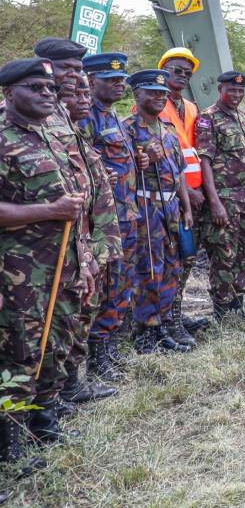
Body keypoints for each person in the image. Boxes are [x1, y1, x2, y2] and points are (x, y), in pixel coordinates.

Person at [0, 57, 95, 456]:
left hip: (65, 266)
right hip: (19, 275)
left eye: (50, 89)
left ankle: (45, 423)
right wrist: (50, 211)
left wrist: (87, 258)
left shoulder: (53, 137)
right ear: (8, 93)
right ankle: (12, 444)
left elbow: (78, 208)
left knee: (56, 346)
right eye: (34, 88)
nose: (46, 95)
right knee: (20, 354)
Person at [73, 53, 139, 377]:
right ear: (90, 81)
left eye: (121, 79)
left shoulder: (115, 118)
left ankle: (109, 347)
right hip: (101, 222)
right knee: (105, 286)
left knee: (123, 284)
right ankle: (96, 357)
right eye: (110, 79)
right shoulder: (86, 120)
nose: (118, 84)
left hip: (126, 215)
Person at [124, 70, 196, 352]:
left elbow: (179, 175)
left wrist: (186, 208)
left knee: (170, 267)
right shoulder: (127, 128)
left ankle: (163, 326)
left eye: (162, 93)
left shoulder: (167, 130)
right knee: (148, 270)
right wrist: (141, 163)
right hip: (145, 206)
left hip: (171, 206)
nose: (158, 97)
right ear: (137, 94)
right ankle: (145, 333)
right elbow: (118, 174)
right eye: (152, 92)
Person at [196, 71, 245, 321]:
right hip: (224, 200)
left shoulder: (243, 118)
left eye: (240, 91)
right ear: (220, 90)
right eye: (231, 90)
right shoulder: (208, 118)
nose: (236, 95)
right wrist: (214, 202)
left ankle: (237, 305)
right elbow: (205, 160)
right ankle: (222, 311)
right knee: (223, 256)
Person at [157, 48, 210, 335]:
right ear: (163, 70)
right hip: (170, 196)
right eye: (176, 70)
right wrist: (187, 192)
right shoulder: (153, 103)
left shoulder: (190, 107)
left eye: (187, 73)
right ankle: (165, 321)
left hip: (194, 197)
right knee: (170, 261)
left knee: (186, 258)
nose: (182, 76)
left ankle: (176, 315)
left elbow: (194, 152)